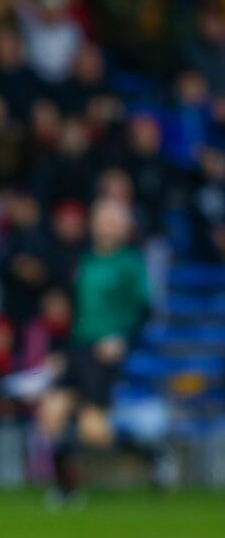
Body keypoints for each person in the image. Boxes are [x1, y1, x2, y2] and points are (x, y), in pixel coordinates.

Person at [36, 198, 162, 505]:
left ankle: (154, 455)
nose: (105, 223)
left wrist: (122, 338)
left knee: (94, 431)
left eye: (112, 218)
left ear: (123, 226)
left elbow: (144, 309)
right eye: (102, 217)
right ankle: (67, 491)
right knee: (50, 413)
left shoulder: (130, 262)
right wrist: (59, 349)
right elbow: (71, 310)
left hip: (105, 352)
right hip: (78, 347)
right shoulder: (84, 258)